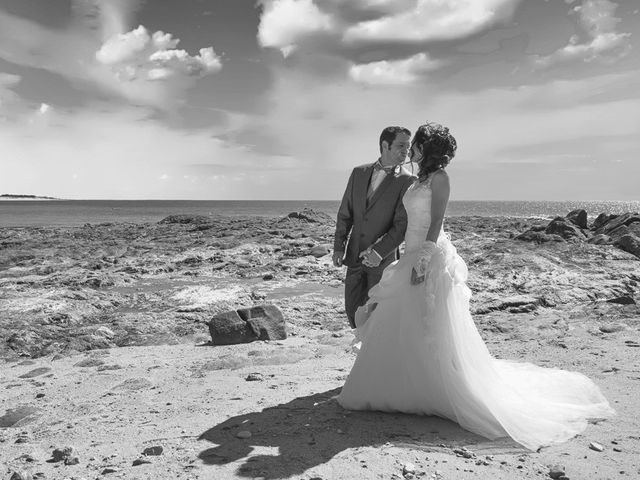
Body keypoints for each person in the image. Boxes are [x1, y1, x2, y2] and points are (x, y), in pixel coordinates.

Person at [337, 122, 615, 451]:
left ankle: (434, 387)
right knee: (401, 319)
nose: (409, 148)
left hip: (427, 255)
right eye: (405, 144)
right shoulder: (415, 179)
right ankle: (398, 384)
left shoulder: (439, 179)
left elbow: (436, 221)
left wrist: (425, 258)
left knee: (428, 322)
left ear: (426, 148)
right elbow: (390, 216)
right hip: (409, 253)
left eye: (414, 144)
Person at [333, 126, 415, 328]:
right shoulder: (358, 173)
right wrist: (338, 246)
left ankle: (371, 355)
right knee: (352, 309)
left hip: (383, 261)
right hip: (353, 256)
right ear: (385, 145)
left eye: (408, 146)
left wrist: (378, 252)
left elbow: (402, 224)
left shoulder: (407, 180)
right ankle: (364, 349)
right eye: (401, 145)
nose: (406, 151)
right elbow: (346, 214)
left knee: (378, 312)